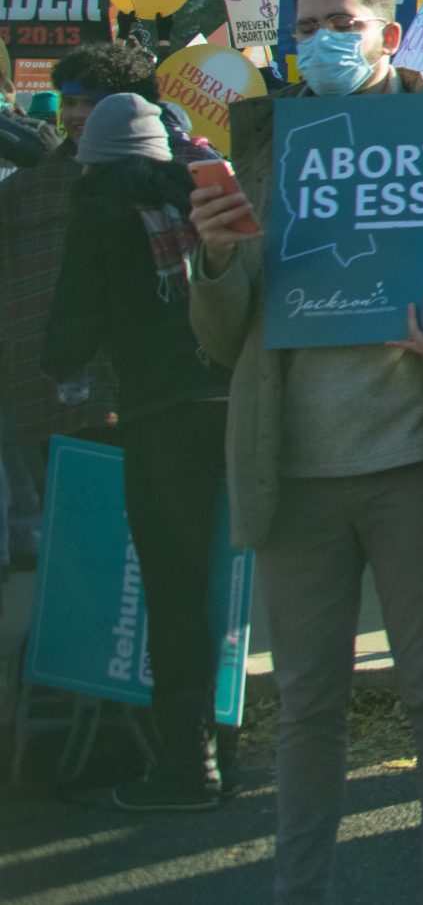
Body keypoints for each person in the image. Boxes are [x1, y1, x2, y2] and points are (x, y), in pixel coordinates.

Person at [188, 0, 423, 905]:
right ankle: (301, 888)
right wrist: (215, 261)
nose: (322, 40)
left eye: (341, 21)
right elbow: (222, 340)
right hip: (291, 470)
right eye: (306, 27)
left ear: (387, 33)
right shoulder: (263, 146)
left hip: (413, 461)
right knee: (306, 706)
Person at [44, 91, 234, 809]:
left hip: (159, 423)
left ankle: (188, 765)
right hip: (235, 407)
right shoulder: (206, 198)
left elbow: (67, 341)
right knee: (239, 586)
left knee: (176, 591)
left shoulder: (96, 218)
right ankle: (242, 743)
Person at [1, 39, 157, 562]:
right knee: (71, 543)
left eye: (93, 102)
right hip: (42, 389)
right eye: (69, 102)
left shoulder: (163, 177)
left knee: (133, 541)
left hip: (134, 391)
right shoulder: (27, 188)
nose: (76, 114)